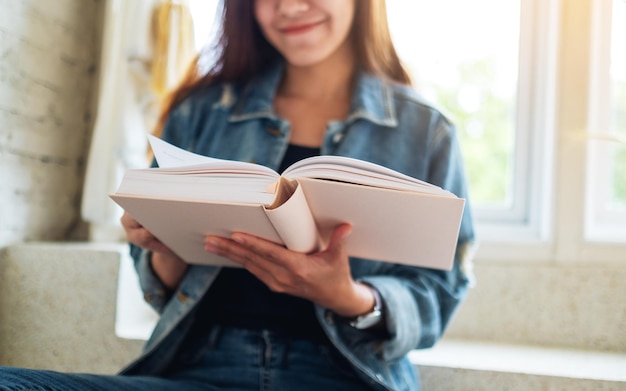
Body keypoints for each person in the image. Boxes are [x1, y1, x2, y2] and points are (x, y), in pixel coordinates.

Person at [0, 0, 475, 390]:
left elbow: (441, 290)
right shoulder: (199, 111)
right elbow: (160, 291)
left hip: (344, 376)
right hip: (199, 368)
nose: (289, 6)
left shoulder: (428, 133)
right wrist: (164, 247)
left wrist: (349, 297)